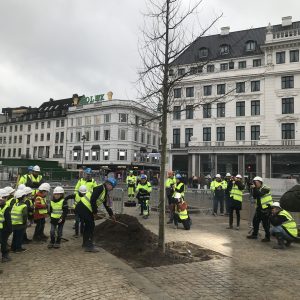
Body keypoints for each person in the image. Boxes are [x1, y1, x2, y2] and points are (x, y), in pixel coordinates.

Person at [76, 178, 117, 252]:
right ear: (109, 184)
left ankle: (86, 243)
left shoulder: (104, 193)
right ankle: (88, 245)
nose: (112, 189)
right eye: (112, 187)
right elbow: (93, 200)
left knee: (89, 225)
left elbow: (106, 205)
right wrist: (95, 213)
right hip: (83, 207)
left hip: (86, 208)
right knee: (91, 225)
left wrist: (111, 215)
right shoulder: (100, 188)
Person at [247, 176, 273, 242]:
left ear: (260, 182)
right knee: (255, 221)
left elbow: (260, 194)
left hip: (266, 209)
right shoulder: (256, 189)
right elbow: (255, 196)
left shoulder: (266, 188)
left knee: (265, 224)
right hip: (259, 208)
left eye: (256, 183)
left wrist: (254, 188)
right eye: (254, 183)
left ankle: (267, 237)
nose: (255, 184)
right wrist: (251, 188)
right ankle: (254, 234)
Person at [0, 189, 12, 262]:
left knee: (3, 242)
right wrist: (10, 229)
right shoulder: (6, 208)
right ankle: (5, 256)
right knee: (4, 243)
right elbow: (8, 220)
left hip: (3, 228)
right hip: (4, 229)